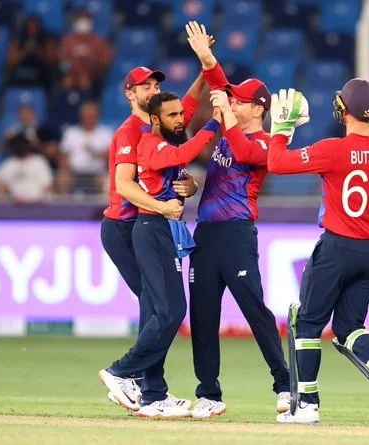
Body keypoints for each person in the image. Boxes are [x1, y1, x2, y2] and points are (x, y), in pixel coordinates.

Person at [267, 80, 369, 425]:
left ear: (344, 110)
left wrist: (281, 129)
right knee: (349, 327)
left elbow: (277, 163)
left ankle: (307, 406)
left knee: (307, 323)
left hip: (338, 247)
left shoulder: (333, 149)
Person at [177, 21, 290, 418]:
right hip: (205, 235)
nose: (232, 104)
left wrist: (225, 112)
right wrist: (207, 59)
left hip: (237, 234)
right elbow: (219, 85)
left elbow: (242, 153)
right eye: (233, 101)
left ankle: (285, 386)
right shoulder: (228, 131)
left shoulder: (267, 143)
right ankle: (209, 394)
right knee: (202, 317)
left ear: (258, 108)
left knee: (254, 310)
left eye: (240, 102)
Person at [99, 91, 222, 419]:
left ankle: (153, 395)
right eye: (172, 115)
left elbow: (177, 169)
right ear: (155, 120)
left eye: (181, 114)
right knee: (169, 310)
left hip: (162, 230)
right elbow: (186, 151)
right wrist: (214, 122)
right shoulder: (150, 144)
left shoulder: (164, 145)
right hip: (151, 229)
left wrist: (189, 186)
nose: (180, 119)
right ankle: (121, 372)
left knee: (169, 311)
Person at [0, 133, 53, 203]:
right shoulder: (10, 163)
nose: (21, 146)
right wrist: (3, 188)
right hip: (14, 205)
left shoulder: (39, 161)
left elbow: (47, 184)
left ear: (27, 145)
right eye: (18, 144)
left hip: (38, 204)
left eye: (23, 144)